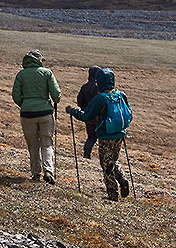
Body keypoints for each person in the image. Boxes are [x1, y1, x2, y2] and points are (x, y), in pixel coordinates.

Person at [66, 67, 130, 201]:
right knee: (113, 159)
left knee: (106, 165)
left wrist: (72, 111)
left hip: (105, 135)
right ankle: (122, 179)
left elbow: (87, 116)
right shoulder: (121, 95)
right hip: (119, 134)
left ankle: (113, 195)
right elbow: (129, 113)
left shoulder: (100, 99)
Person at [11, 49, 61, 184]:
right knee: (47, 142)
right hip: (45, 113)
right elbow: (56, 95)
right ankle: (48, 171)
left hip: (27, 114)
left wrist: (25, 104)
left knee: (33, 144)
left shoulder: (21, 75)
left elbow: (15, 96)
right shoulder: (47, 73)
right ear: (39, 60)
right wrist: (54, 101)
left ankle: (36, 174)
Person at [77, 66, 101, 159]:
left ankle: (86, 155)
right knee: (101, 138)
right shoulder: (99, 88)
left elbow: (79, 101)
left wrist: (85, 110)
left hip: (88, 117)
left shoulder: (84, 87)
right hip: (99, 118)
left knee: (91, 137)